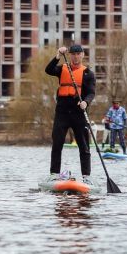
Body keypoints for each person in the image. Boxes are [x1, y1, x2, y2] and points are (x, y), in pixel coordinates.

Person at [45, 44, 95, 183]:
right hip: (62, 112)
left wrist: (86, 102)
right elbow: (48, 70)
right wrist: (58, 56)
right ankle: (54, 174)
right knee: (57, 143)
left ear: (82, 55)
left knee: (83, 146)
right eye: (73, 54)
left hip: (79, 112)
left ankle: (86, 177)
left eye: (78, 54)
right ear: (70, 55)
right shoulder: (62, 69)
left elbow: (91, 92)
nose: (75, 56)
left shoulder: (88, 73)